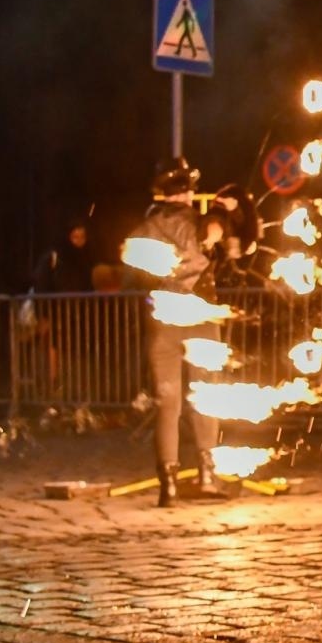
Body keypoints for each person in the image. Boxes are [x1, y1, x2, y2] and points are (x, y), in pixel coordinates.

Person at [125, 157, 227, 507]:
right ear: (188, 192)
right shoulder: (203, 223)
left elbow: (132, 275)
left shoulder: (144, 228)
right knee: (205, 394)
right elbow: (227, 249)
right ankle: (207, 475)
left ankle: (167, 484)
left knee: (167, 403)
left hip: (163, 321)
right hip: (201, 316)